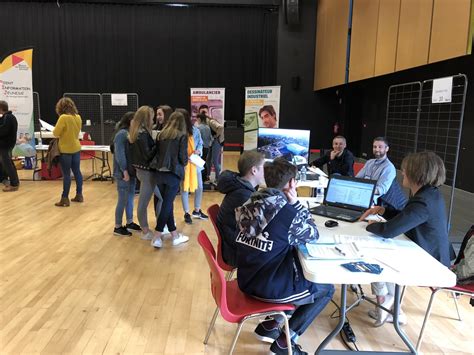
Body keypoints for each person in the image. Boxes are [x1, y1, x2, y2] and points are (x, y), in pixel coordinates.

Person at [235, 157, 335, 355]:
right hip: (268, 287)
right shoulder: (288, 214)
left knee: (297, 277)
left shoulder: (247, 203)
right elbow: (312, 234)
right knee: (326, 288)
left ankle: (271, 325)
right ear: (291, 184)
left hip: (246, 279)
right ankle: (284, 343)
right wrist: (296, 203)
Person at [359, 151, 451, 327]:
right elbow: (406, 217)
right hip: (425, 251)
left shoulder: (423, 201)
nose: (402, 173)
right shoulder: (429, 194)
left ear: (417, 173)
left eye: (405, 170)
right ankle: (393, 307)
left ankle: (386, 302)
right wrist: (383, 211)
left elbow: (388, 231)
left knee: (370, 258)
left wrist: (366, 225)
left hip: (430, 261)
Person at [216, 150, 265, 267]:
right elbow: (258, 225)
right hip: (235, 252)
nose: (265, 171)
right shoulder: (244, 195)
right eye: (263, 168)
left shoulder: (240, 185)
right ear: (254, 170)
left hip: (232, 244)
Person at [149, 111, 189, 248]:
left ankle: (174, 234)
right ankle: (157, 235)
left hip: (159, 173)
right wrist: (186, 162)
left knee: (167, 204)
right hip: (173, 173)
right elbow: (183, 158)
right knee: (167, 204)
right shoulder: (181, 136)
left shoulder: (161, 135)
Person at [129, 106, 162, 240]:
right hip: (147, 173)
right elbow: (148, 155)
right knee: (144, 202)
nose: (153, 119)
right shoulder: (142, 134)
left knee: (160, 199)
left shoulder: (136, 132)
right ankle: (145, 230)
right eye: (152, 117)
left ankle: (159, 225)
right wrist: (157, 144)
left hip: (142, 171)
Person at [175, 108, 208, 224]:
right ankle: (186, 213)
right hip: (183, 164)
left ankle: (197, 210)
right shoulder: (176, 133)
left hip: (195, 162)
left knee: (199, 186)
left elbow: (200, 144)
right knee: (184, 188)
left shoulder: (195, 130)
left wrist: (198, 151)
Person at [356, 137, 407, 211]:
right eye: (374, 147)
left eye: (380, 147)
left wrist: (364, 190)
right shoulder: (369, 162)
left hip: (374, 202)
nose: (377, 149)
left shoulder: (389, 167)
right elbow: (357, 179)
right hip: (360, 195)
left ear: (387, 149)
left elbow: (380, 190)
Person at [112, 112, 141, 237]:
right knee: (123, 199)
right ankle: (118, 226)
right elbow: (120, 154)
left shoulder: (127, 134)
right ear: (131, 121)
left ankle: (129, 222)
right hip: (123, 172)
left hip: (129, 171)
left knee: (129, 198)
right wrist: (124, 171)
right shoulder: (122, 134)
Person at [52, 97, 83, 206]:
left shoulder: (63, 118)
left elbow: (56, 133)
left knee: (66, 174)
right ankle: (79, 195)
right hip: (76, 148)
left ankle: (64, 198)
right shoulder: (78, 117)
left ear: (60, 107)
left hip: (65, 150)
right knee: (77, 172)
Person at [200, 105, 224, 182]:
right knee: (208, 160)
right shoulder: (203, 122)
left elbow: (220, 127)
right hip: (211, 142)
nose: (203, 114)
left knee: (215, 161)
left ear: (208, 113)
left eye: (205, 112)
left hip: (216, 141)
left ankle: (218, 179)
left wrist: (216, 136)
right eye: (202, 112)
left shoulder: (210, 121)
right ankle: (207, 176)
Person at [0, 101, 19, 192]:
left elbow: (3, 130)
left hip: (5, 144)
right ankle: (15, 182)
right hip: (8, 144)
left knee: (7, 164)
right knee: (9, 163)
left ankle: (14, 184)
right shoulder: (9, 117)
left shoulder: (7, 117)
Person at [196, 112, 212, 182]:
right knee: (204, 162)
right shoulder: (208, 127)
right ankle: (206, 176)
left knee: (200, 163)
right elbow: (210, 138)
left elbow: (198, 139)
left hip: (201, 148)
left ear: (199, 119)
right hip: (207, 147)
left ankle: (202, 178)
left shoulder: (198, 128)